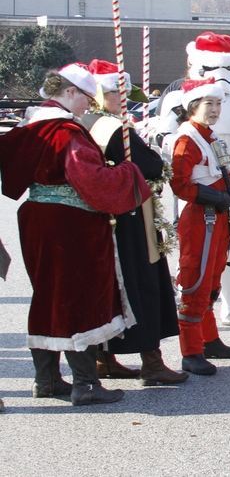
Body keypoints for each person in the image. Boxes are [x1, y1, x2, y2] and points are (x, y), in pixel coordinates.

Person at [0, 63, 150, 406]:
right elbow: (92, 181)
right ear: (70, 93)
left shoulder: (28, 127)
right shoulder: (65, 133)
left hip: (37, 218)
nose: (89, 105)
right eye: (85, 97)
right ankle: (87, 384)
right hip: (70, 224)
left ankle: (48, 379)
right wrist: (127, 172)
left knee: (48, 295)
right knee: (77, 296)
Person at [158, 32, 230, 330]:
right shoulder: (180, 99)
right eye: (215, 69)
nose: (215, 106)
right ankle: (186, 305)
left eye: (227, 69)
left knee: (229, 246)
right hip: (191, 183)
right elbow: (163, 138)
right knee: (190, 248)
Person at [82, 60, 187, 386]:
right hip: (129, 220)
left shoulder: (86, 122)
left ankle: (104, 357)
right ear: (100, 93)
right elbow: (152, 166)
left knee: (109, 288)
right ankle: (151, 362)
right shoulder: (117, 130)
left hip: (100, 219)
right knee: (143, 284)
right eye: (116, 91)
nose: (123, 97)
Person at [169, 78, 230, 376]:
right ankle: (190, 350)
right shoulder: (187, 139)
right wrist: (217, 196)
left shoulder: (209, 136)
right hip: (201, 219)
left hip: (217, 216)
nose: (215, 109)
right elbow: (180, 183)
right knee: (196, 280)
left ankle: (209, 338)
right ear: (193, 106)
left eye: (218, 104)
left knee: (213, 279)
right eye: (208, 104)